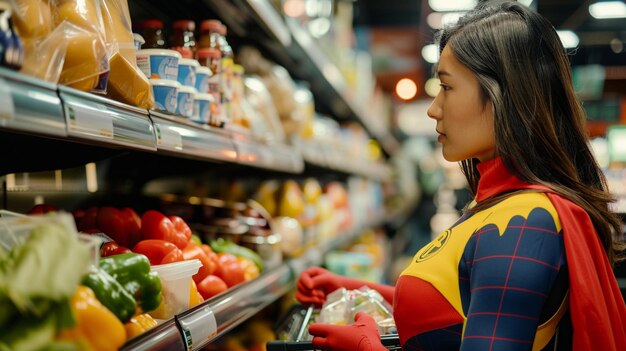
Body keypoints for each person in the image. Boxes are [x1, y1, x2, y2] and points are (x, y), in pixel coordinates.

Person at [295, 1, 626, 350]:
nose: (433, 108)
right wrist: (358, 291)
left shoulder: (523, 224)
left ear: (503, 96)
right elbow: (470, 306)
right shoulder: (503, 204)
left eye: (447, 88)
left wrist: (366, 348)